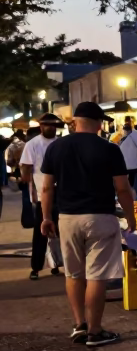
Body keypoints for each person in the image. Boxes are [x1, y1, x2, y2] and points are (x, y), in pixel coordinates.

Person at [39, 102, 136, 347]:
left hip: (68, 218)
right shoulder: (109, 149)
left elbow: (47, 187)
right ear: (99, 122)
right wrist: (130, 216)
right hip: (100, 216)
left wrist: (46, 217)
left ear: (75, 121)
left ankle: (79, 325)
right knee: (97, 276)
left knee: (73, 273)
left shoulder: (56, 148)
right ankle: (95, 331)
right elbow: (122, 188)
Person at [20, 114, 63, 279]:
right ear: (41, 126)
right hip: (42, 195)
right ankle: (36, 268)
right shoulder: (33, 144)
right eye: (47, 125)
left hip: (61, 193)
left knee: (62, 231)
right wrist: (26, 180)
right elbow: (25, 168)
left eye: (53, 125)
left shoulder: (61, 143)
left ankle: (58, 264)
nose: (51, 128)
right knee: (41, 233)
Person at [115, 116, 137, 199]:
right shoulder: (136, 134)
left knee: (129, 184)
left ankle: (130, 198)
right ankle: (133, 198)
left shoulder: (119, 135)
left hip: (126, 166)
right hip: (134, 166)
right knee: (134, 184)